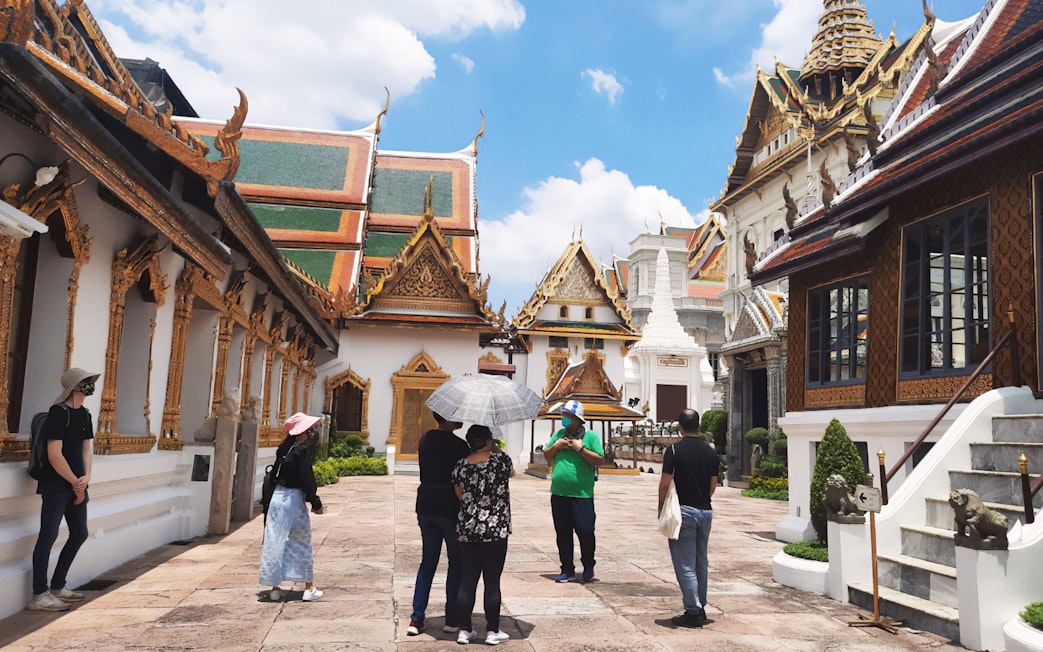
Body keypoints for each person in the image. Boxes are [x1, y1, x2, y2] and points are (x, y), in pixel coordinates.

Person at [27, 368, 99, 611]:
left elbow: (85, 450)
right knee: (48, 535)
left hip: (77, 482)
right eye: (86, 382)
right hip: (56, 484)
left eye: (91, 381)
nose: (90, 385)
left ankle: (58, 585)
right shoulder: (58, 413)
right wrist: (73, 481)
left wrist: (86, 478)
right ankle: (39, 594)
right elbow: (54, 454)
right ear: (75, 385)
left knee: (79, 533)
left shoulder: (86, 415)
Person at [407, 412, 469, 636]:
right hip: (449, 507)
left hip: (426, 504)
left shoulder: (425, 439)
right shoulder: (461, 445)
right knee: (456, 561)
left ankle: (416, 618)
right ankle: (452, 617)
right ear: (449, 418)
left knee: (428, 561)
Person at [452, 425, 513, 646]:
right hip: (495, 530)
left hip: (468, 529)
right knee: (492, 580)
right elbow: (509, 474)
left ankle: (465, 630)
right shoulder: (501, 462)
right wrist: (494, 447)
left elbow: (459, 494)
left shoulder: (461, 465)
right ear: (488, 440)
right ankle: (492, 631)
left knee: (468, 579)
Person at [659, 408, 718, 628]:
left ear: (679, 427)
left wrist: (661, 508)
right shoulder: (710, 452)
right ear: (699, 426)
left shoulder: (674, 450)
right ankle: (699, 605)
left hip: (683, 511)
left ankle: (693, 611)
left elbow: (665, 483)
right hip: (705, 511)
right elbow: (712, 486)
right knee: (700, 561)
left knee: (685, 564)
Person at [259, 412, 326, 602]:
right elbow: (307, 480)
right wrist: (315, 502)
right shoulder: (301, 451)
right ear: (303, 432)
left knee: (275, 540)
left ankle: (275, 587)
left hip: (276, 499)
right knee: (301, 541)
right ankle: (309, 588)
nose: (311, 432)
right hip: (293, 499)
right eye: (309, 429)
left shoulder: (284, 450)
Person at [543, 399, 603, 583]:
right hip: (559, 493)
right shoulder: (559, 434)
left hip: (582, 494)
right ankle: (566, 568)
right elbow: (547, 455)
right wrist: (557, 445)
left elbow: (599, 460)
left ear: (577, 419)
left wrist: (580, 448)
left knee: (585, 530)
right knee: (563, 532)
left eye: (568, 415)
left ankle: (588, 565)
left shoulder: (590, 437)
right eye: (564, 415)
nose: (564, 418)